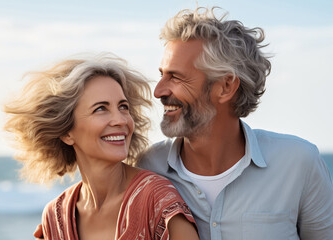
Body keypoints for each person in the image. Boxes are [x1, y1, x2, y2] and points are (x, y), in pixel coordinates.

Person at [136, 6, 333, 240]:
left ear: (226, 87)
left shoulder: (299, 163)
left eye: (175, 77)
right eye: (162, 74)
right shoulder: (148, 168)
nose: (158, 91)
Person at [4, 54, 199, 239]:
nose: (120, 120)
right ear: (66, 132)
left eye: (123, 106)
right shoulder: (55, 217)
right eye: (100, 109)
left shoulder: (157, 201)